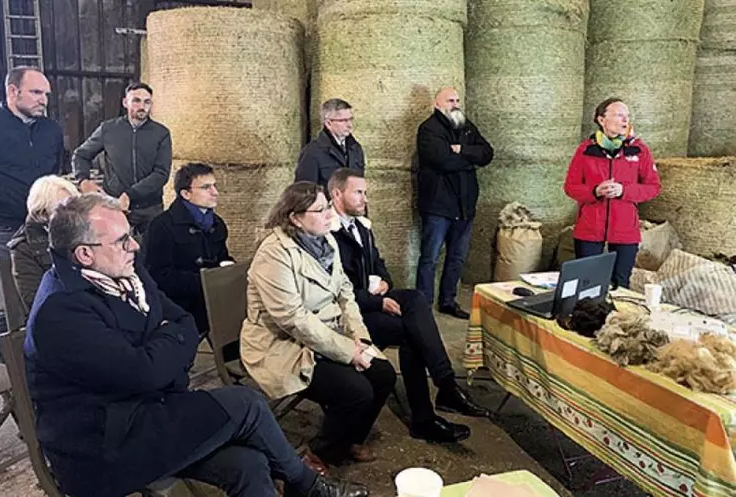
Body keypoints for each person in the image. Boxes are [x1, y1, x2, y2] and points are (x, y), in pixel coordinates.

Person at [25, 193, 367, 497]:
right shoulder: (61, 309)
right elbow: (144, 373)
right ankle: (307, 486)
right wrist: (163, 346)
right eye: (122, 239)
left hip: (149, 410)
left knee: (248, 464)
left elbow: (184, 321)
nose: (135, 246)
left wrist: (158, 348)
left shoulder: (127, 273)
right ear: (84, 254)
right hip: (105, 447)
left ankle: (302, 485)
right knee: (245, 403)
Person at [328, 168, 491, 443]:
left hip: (369, 298)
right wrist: (379, 302)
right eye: (358, 192)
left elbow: (379, 263)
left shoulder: (361, 227)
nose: (365, 199)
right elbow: (337, 291)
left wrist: (386, 284)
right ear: (336, 194)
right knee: (411, 332)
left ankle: (445, 384)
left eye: (365, 192)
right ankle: (427, 415)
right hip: (348, 314)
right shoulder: (328, 233)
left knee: (415, 299)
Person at [241, 182, 395, 469]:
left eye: (327, 207)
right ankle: (317, 455)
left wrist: (359, 337)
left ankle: (350, 438)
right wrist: (349, 351)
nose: (329, 215)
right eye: (320, 209)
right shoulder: (274, 254)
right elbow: (292, 319)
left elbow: (345, 292)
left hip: (327, 332)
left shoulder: (326, 241)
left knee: (383, 374)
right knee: (356, 391)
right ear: (295, 217)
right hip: (283, 344)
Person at [0, 66, 64, 361]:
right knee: (8, 299)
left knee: (46, 289)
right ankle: (7, 363)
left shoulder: (52, 129)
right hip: (3, 227)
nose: (43, 99)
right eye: (35, 92)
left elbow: (55, 173)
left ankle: (42, 356)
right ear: (12, 91)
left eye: (45, 94)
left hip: (44, 225)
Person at [563, 98, 661, 289]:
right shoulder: (586, 150)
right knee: (587, 285)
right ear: (602, 120)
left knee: (620, 285)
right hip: (589, 230)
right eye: (618, 114)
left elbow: (653, 187)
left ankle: (618, 319)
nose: (625, 119)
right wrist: (595, 191)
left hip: (625, 231)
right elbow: (570, 186)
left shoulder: (639, 150)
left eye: (627, 116)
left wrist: (625, 190)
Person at [415, 87, 494, 319]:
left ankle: (448, 301)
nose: (455, 104)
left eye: (458, 100)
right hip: (438, 206)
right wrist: (471, 161)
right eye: (450, 100)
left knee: (457, 257)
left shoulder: (466, 126)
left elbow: (488, 153)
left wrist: (462, 150)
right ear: (437, 103)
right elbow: (442, 161)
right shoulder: (429, 129)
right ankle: (423, 305)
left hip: (465, 206)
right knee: (429, 257)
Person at [72, 82, 172, 236]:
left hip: (150, 208)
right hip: (114, 206)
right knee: (114, 254)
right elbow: (81, 155)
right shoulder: (108, 129)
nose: (142, 106)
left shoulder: (161, 133)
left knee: (153, 256)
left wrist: (130, 194)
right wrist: (83, 181)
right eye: (136, 100)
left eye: (147, 102)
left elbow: (161, 173)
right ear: (125, 102)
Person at [145, 163, 232, 336]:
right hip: (180, 305)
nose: (215, 192)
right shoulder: (161, 227)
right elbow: (159, 276)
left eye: (215, 186)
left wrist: (229, 271)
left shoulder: (217, 224)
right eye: (206, 187)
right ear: (186, 193)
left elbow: (222, 257)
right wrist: (205, 281)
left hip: (214, 300)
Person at [8, 175, 79, 313]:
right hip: (61, 314)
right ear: (43, 213)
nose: (74, 215)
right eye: (65, 210)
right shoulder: (23, 248)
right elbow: (35, 299)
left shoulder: (83, 231)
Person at [295, 98, 365, 188]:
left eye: (351, 119)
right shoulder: (312, 152)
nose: (349, 125)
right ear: (328, 123)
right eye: (343, 120)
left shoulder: (356, 149)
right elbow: (304, 192)